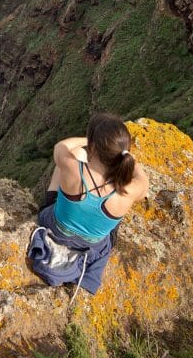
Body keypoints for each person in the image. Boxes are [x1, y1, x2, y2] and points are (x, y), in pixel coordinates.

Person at [27, 113, 149, 297]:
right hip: (93, 246)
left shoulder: (73, 167)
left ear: (92, 147)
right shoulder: (131, 189)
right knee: (113, 219)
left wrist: (89, 140)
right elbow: (144, 182)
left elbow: (61, 147)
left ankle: (54, 207)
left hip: (56, 229)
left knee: (65, 163)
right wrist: (126, 157)